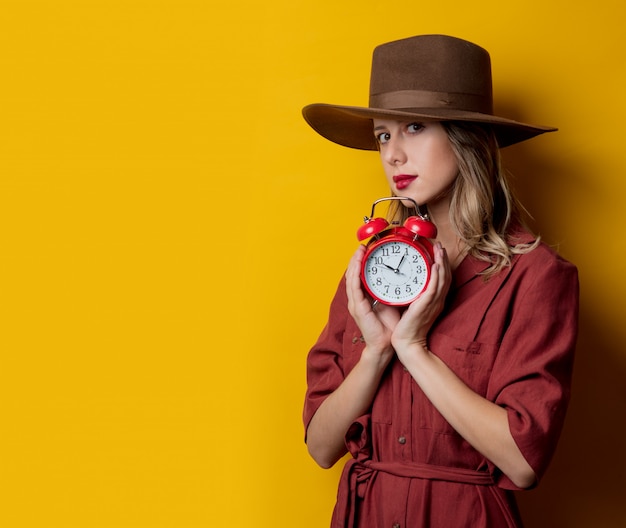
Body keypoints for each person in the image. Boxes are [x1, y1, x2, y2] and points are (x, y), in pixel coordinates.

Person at [301, 34, 579, 528]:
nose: (393, 154)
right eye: (384, 135)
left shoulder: (536, 277)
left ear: (466, 137)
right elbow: (322, 448)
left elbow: (524, 460)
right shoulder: (374, 270)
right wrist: (377, 351)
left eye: (414, 127)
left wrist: (413, 349)